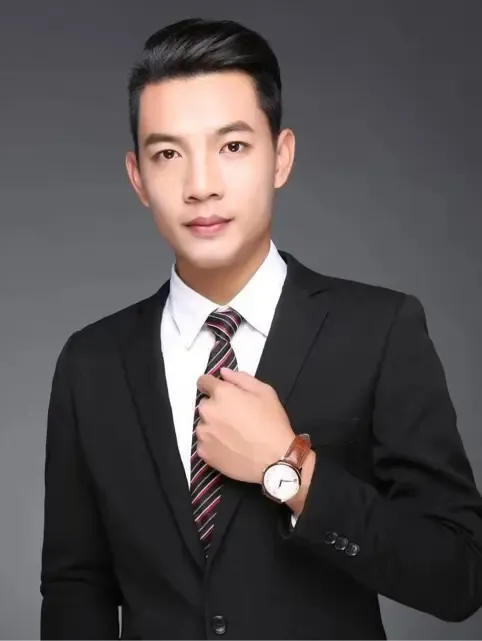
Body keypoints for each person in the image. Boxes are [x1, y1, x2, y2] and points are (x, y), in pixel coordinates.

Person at [40, 17, 482, 640]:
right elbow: (75, 587)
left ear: (281, 157)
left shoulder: (379, 331)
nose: (201, 186)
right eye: (168, 154)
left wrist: (289, 470)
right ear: (137, 177)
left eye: (232, 147)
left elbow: (459, 574)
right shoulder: (90, 363)